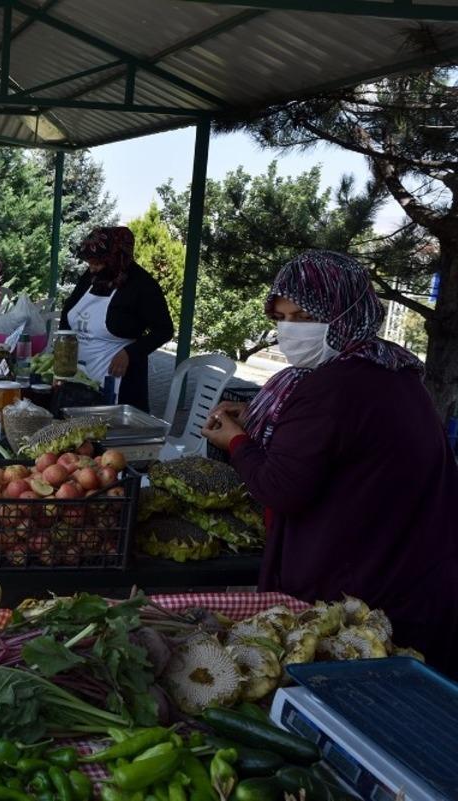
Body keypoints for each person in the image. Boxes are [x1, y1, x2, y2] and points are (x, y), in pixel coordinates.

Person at [203, 251, 458, 676]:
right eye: (282, 316)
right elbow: (332, 442)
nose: (290, 330)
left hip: (368, 594)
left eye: (305, 315)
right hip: (413, 571)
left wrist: (236, 441)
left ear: (346, 312)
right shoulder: (388, 367)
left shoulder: (335, 386)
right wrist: (261, 424)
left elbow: (281, 487)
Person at [59, 226, 173, 411]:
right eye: (90, 262)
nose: (92, 268)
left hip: (119, 382)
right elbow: (68, 311)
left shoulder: (143, 286)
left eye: (97, 263)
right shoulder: (92, 276)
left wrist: (130, 352)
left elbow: (164, 330)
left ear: (115, 258)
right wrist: (64, 347)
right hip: (78, 377)